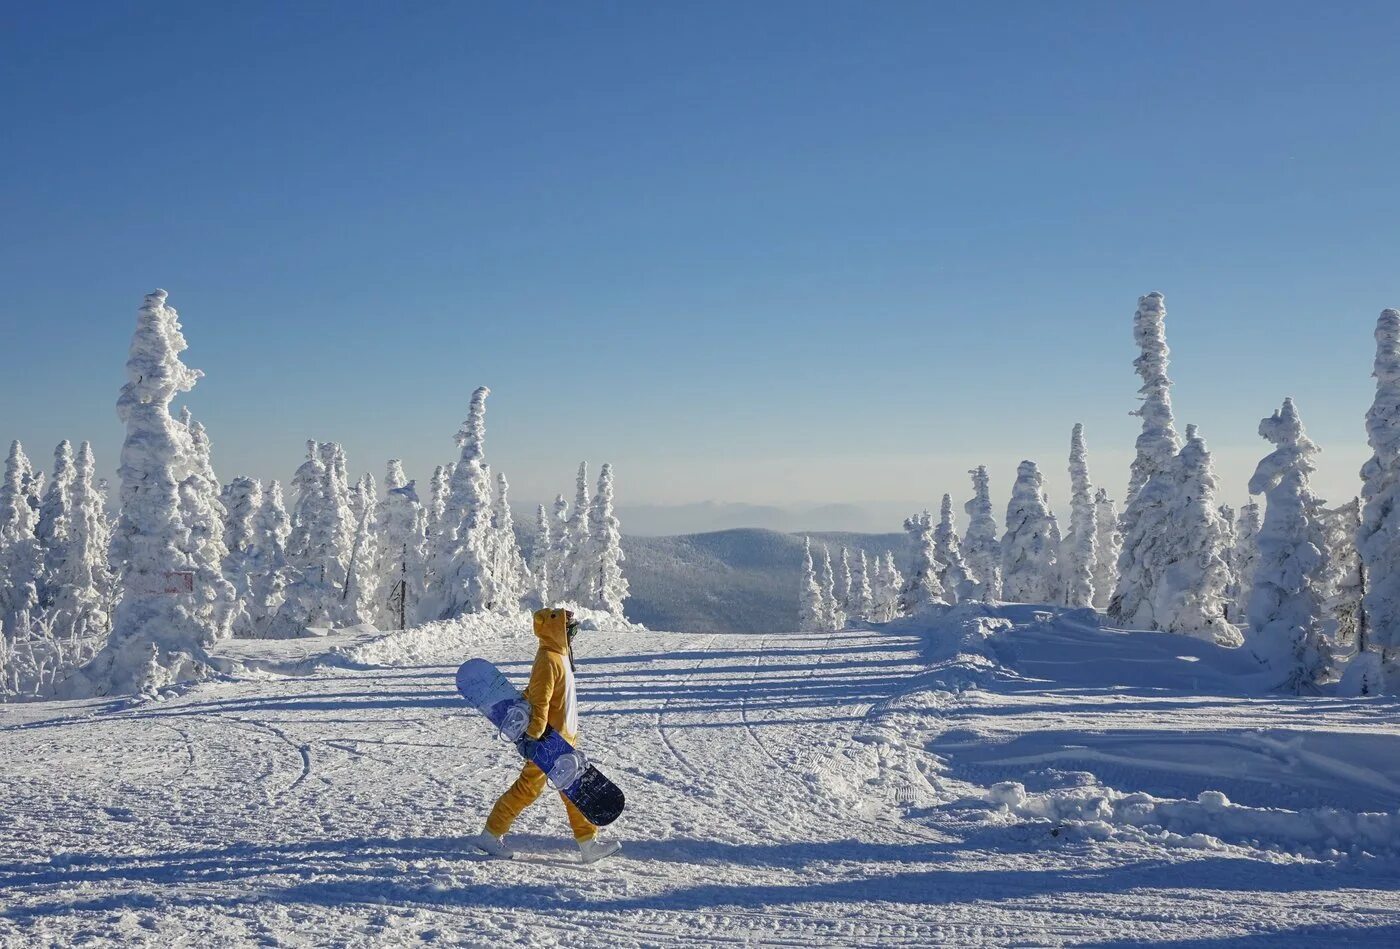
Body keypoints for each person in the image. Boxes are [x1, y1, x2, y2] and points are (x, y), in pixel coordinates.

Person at [471, 608, 621, 863]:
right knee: (527, 789)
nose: (572, 632)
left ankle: (588, 843)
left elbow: (534, 692)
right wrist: (533, 735)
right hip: (547, 741)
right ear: (555, 628)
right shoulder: (549, 658)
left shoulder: (560, 656)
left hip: (562, 739)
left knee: (572, 789)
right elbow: (541, 700)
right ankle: (490, 835)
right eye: (567, 626)